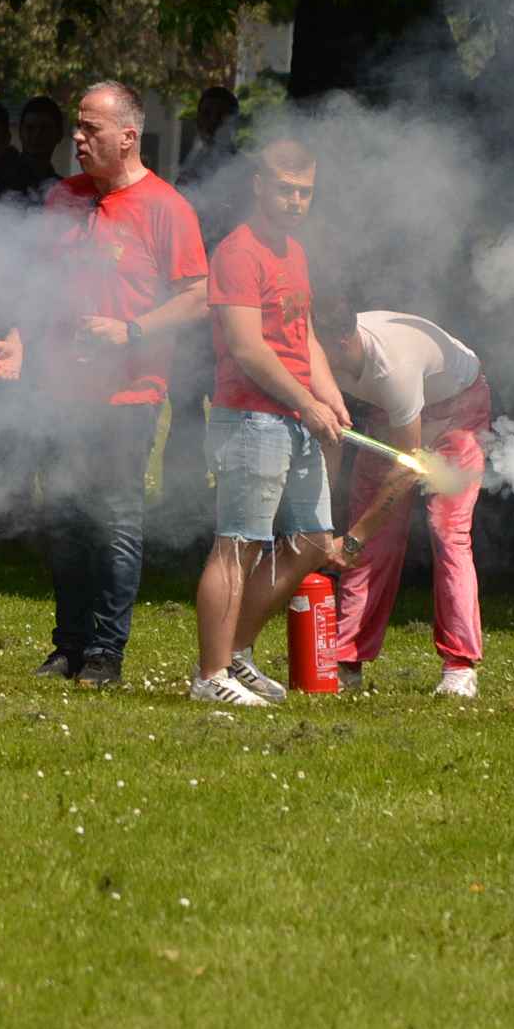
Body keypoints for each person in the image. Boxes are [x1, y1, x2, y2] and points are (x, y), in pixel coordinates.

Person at [0, 81, 208, 684]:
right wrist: (17, 340)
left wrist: (131, 331)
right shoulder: (63, 197)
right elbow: (37, 286)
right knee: (65, 520)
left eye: (92, 129)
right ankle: (69, 645)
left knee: (113, 520)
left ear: (129, 136)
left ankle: (106, 652)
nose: (78, 138)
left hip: (128, 395)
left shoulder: (166, 207)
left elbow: (199, 296)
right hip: (60, 393)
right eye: (78, 127)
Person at [190, 136, 348, 706]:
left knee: (312, 541)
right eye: (285, 190)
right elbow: (247, 348)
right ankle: (211, 677)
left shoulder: (294, 252)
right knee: (238, 543)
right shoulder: (238, 252)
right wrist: (307, 402)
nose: (296, 201)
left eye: (305, 192)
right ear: (259, 186)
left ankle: (236, 653)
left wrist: (328, 394)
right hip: (251, 419)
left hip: (297, 417)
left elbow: (303, 335)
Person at [323, 303, 495, 698]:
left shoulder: (392, 369)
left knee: (447, 531)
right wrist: (326, 520)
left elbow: (407, 467)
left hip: (458, 412)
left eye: (317, 345)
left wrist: (352, 541)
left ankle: (459, 666)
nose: (310, 354)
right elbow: (330, 436)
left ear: (343, 341)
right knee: (370, 534)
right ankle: (346, 662)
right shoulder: (328, 357)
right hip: (391, 415)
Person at [0, 94, 63, 201]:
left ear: (59, 134)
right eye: (30, 128)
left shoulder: (62, 188)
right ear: (20, 132)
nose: (37, 135)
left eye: (44, 129)